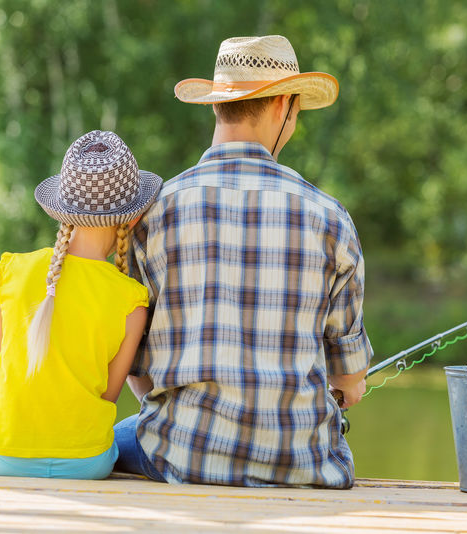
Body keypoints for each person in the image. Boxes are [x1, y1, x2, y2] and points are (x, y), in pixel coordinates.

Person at [114, 35, 373, 488]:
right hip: (302, 465)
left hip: (180, 457)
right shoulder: (329, 219)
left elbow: (136, 374)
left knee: (114, 437)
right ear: (284, 108)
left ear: (217, 105)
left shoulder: (154, 213)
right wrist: (346, 389)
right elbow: (348, 379)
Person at [0, 130, 162, 479]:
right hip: (85, 463)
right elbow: (107, 399)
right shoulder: (132, 301)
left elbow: (0, 373)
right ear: (132, 218)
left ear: (61, 210)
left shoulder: (11, 272)